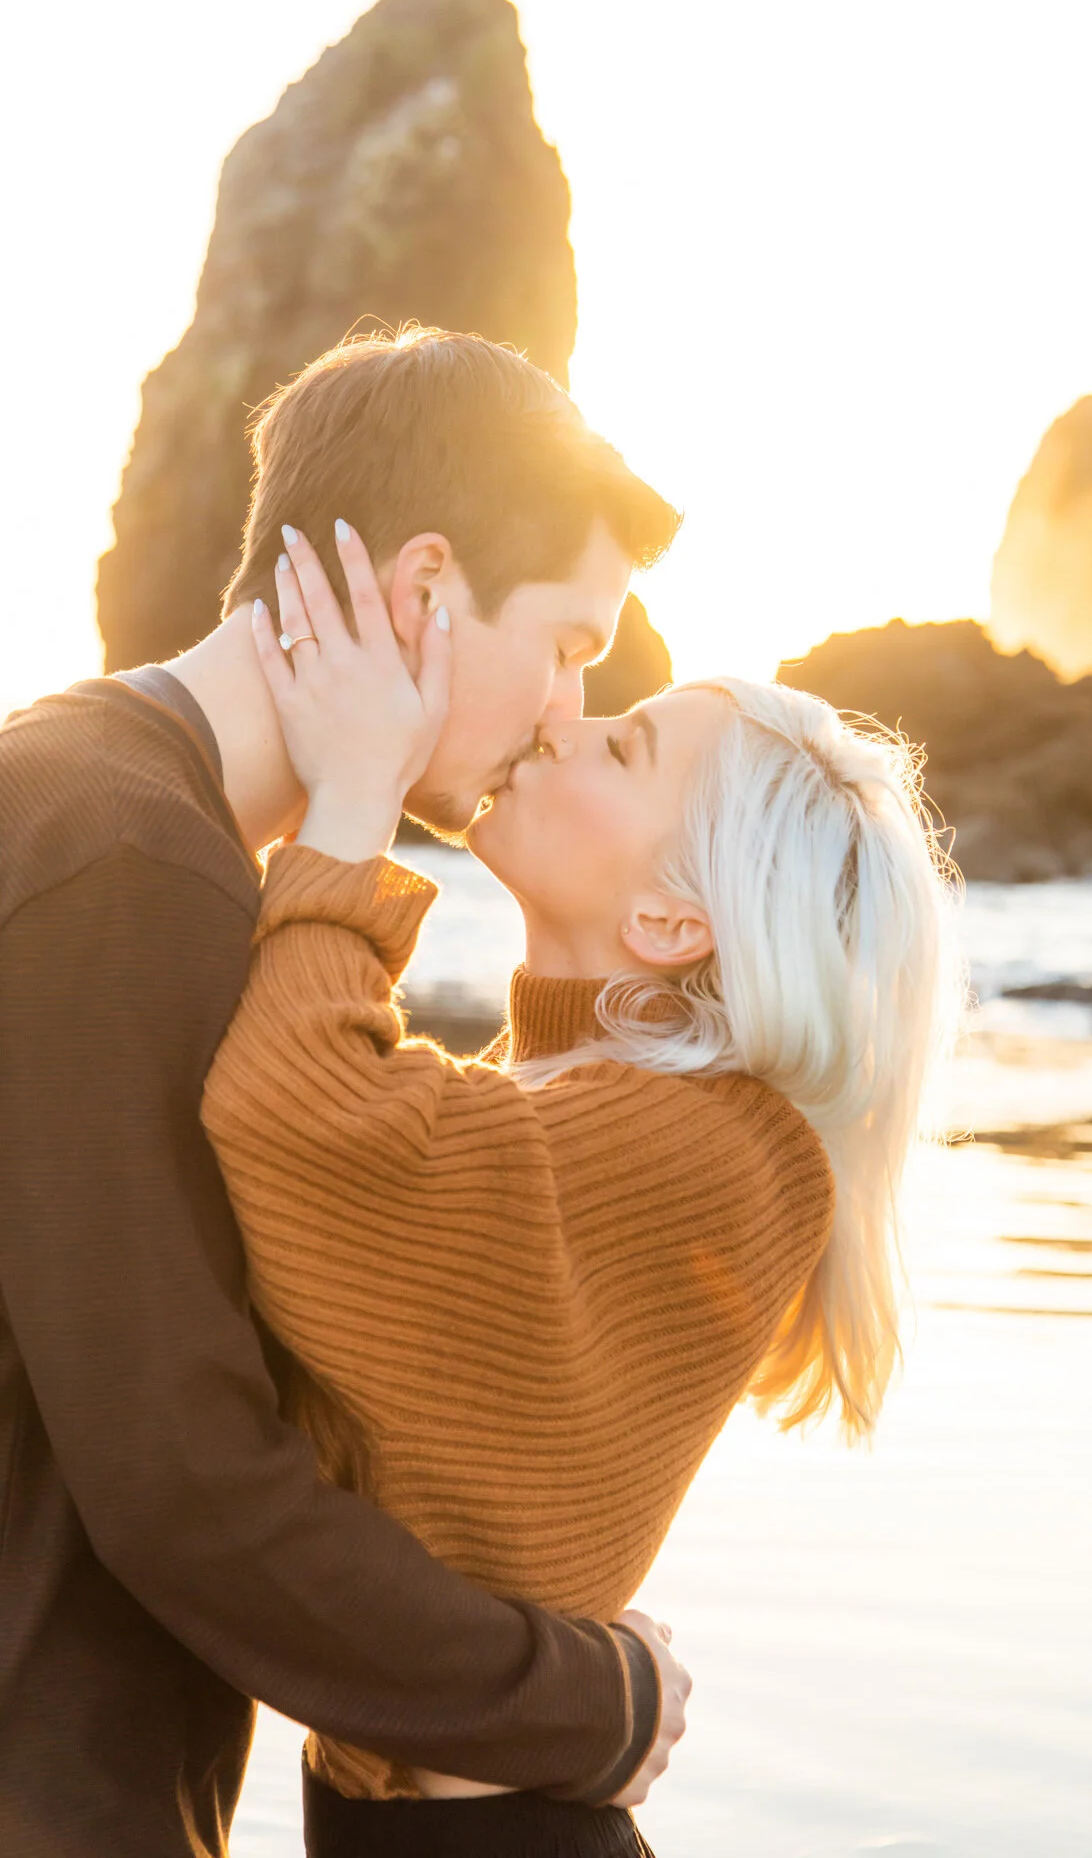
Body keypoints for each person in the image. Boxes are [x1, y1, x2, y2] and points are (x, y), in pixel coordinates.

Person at [0, 328, 692, 1858]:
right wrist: (587, 1704)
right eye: (572, 648)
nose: (568, 717)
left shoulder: (119, 820)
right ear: (425, 592)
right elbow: (182, 1480)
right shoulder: (117, 858)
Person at [201, 522, 961, 1857]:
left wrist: (352, 798)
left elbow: (298, 1122)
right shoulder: (570, 1111)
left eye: (625, 746)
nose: (565, 723)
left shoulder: (710, 1155)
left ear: (675, 921)